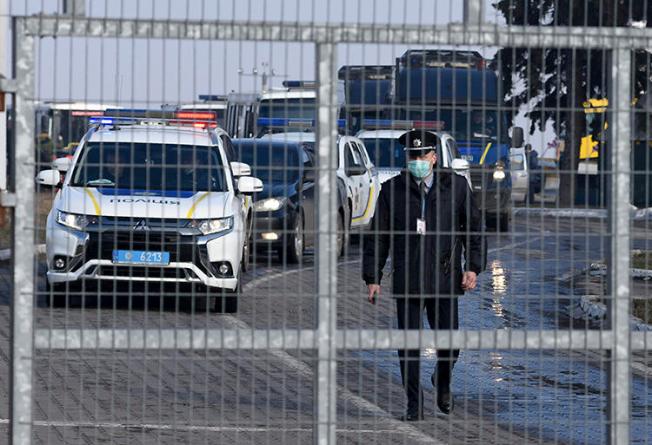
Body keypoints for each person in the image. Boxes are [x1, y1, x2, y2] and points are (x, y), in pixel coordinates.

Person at [362, 129, 485, 421]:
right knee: (409, 347)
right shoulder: (393, 190)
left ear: (433, 157)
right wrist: (373, 277)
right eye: (412, 156)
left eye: (422, 155)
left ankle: (442, 383)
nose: (417, 161)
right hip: (408, 280)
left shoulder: (454, 187)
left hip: (445, 279)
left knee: (450, 344)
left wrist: (472, 267)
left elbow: (475, 230)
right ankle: (413, 405)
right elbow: (378, 237)